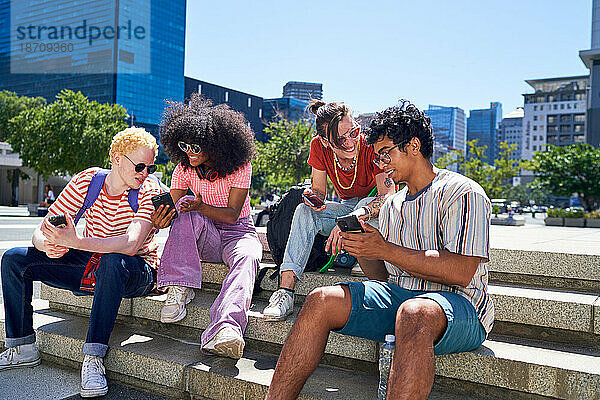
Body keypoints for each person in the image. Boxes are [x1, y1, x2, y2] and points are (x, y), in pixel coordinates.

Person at [265, 101, 494, 400]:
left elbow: (461, 272)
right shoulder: (392, 204)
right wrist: (361, 246)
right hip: (401, 297)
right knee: (321, 299)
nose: (382, 164)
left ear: (413, 146)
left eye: (386, 154)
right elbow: (381, 275)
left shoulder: (462, 192)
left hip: (461, 307)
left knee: (414, 313)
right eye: (378, 157)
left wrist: (384, 248)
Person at [1, 127, 162, 398]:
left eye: (150, 166)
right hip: (90, 264)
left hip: (136, 270)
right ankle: (23, 346)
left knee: (113, 261)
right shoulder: (88, 181)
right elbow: (42, 229)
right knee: (14, 259)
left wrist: (74, 242)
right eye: (140, 166)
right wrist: (49, 244)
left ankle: (94, 357)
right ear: (116, 157)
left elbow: (131, 244)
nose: (144, 172)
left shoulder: (148, 189)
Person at [262, 100, 395, 321]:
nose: (351, 141)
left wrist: (353, 218)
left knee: (361, 207)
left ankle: (357, 256)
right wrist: (312, 198)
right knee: (305, 212)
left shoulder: (370, 146)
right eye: (341, 139)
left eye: (354, 131)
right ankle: (284, 292)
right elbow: (319, 190)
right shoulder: (318, 147)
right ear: (325, 141)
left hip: (376, 212)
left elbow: (386, 196)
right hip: (347, 206)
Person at [151, 94, 262, 360]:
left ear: (215, 145)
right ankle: (179, 287)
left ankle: (226, 329)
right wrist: (161, 219)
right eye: (184, 145)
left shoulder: (240, 166)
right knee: (186, 212)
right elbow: (179, 210)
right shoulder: (183, 168)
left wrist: (199, 207)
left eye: (196, 147)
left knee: (248, 257)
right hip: (205, 234)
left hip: (238, 232)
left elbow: (233, 215)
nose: (189, 152)